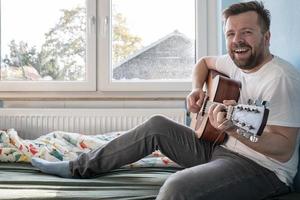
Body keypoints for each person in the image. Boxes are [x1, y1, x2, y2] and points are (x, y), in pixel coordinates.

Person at [31, 1, 300, 199]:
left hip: (263, 169)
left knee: (176, 187)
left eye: (247, 33)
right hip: (219, 147)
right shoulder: (234, 61)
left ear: (266, 37)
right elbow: (203, 63)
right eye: (230, 33)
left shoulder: (281, 79)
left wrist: (234, 128)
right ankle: (78, 167)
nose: (237, 41)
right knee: (156, 125)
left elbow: (283, 149)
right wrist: (196, 90)